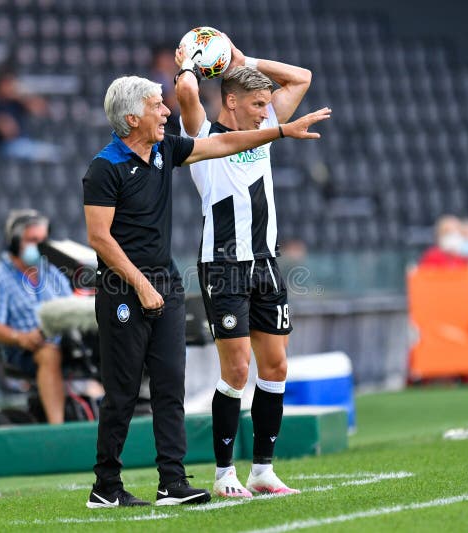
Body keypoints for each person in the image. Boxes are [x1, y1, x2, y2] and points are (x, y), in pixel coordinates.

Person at [82, 75, 330, 507]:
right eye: (157, 106)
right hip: (122, 288)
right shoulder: (105, 167)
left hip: (167, 285)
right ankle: (105, 486)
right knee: (122, 392)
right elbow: (100, 238)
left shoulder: (163, 150)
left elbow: (221, 146)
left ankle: (171, 482)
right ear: (131, 117)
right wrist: (141, 287)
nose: (166, 113)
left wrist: (281, 131)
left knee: (169, 388)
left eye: (164, 104)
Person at [175, 35, 314, 497]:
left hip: (266, 264)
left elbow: (302, 77)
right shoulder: (202, 136)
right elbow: (188, 96)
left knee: (274, 368)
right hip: (224, 265)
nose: (265, 110)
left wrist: (244, 59)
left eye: (266, 104)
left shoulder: (265, 124)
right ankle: (223, 473)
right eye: (256, 103)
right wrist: (188, 66)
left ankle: (263, 470)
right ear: (230, 101)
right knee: (236, 370)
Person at [0, 210, 73, 424]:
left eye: (42, 240)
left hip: (62, 342)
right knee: (49, 354)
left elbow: (70, 306)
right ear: (14, 241)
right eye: (32, 240)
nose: (39, 246)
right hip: (22, 350)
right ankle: (57, 428)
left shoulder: (51, 271)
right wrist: (21, 338)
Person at [0, 69, 61, 162]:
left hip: (24, 143)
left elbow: (41, 109)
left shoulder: (16, 102)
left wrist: (22, 95)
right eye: (7, 83)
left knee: (57, 154)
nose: (10, 87)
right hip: (3, 146)